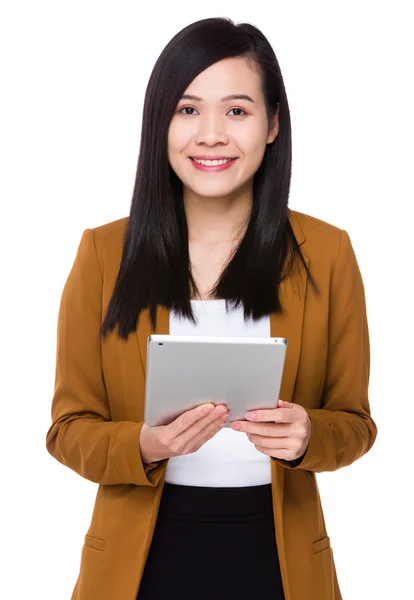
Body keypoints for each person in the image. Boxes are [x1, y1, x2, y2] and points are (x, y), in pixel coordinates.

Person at [45, 16, 377, 600]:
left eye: (238, 111)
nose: (212, 135)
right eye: (188, 109)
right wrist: (146, 446)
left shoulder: (326, 252)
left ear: (273, 124)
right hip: (137, 564)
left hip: (278, 558)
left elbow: (355, 424)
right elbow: (68, 429)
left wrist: (306, 436)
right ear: (160, 125)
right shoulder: (103, 253)